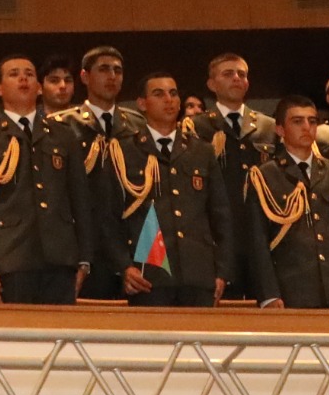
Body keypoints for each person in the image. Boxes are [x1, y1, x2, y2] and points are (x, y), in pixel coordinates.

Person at [0, 54, 96, 304]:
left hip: (61, 257)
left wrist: (85, 260)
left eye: (29, 74)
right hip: (11, 257)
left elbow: (80, 200)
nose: (23, 79)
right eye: (14, 74)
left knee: (61, 328)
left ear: (39, 87)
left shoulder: (63, 135)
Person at [99, 71, 232, 307]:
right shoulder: (124, 151)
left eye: (173, 94)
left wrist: (222, 271)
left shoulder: (201, 151)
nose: (169, 100)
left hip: (198, 275)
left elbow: (220, 215)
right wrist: (124, 266)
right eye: (159, 94)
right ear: (142, 103)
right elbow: (108, 217)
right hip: (149, 276)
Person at [244, 95, 329, 309]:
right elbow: (257, 241)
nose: (307, 127)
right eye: (297, 121)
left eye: (312, 121)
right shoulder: (265, 176)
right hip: (291, 291)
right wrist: (269, 294)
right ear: (280, 130)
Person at [68, 45, 150, 298]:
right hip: (84, 247)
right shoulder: (64, 125)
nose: (112, 76)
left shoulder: (138, 125)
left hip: (132, 248)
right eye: (104, 69)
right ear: (85, 77)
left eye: (118, 71)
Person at [202, 52, 275, 298]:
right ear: (212, 84)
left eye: (241, 74)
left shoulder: (268, 126)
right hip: (218, 234)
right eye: (228, 74)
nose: (236, 78)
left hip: (261, 233)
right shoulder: (198, 127)